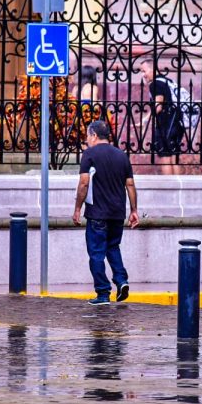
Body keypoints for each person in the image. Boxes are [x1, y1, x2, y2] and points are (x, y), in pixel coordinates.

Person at [72, 120, 139, 305]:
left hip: (97, 214)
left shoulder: (89, 154)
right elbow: (130, 185)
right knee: (113, 247)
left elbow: (84, 183)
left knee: (96, 254)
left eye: (87, 136)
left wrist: (77, 209)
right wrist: (134, 210)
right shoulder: (121, 156)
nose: (87, 140)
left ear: (94, 135)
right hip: (117, 213)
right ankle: (122, 280)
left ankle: (103, 293)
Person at [139, 59, 185, 175]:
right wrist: (146, 119)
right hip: (176, 122)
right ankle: (179, 184)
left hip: (165, 124)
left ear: (153, 69)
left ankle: (169, 185)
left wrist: (149, 119)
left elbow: (158, 106)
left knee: (165, 157)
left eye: (144, 71)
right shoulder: (166, 81)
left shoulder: (155, 84)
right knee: (174, 157)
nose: (143, 75)